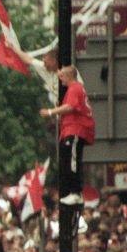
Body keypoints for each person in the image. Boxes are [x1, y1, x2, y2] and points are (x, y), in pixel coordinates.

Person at [40, 66, 94, 206]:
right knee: (67, 160)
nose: (60, 78)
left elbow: (70, 107)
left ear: (69, 76)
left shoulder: (75, 88)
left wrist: (51, 112)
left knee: (72, 160)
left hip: (76, 129)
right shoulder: (75, 88)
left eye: (62, 76)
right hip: (70, 130)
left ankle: (76, 193)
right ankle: (73, 192)